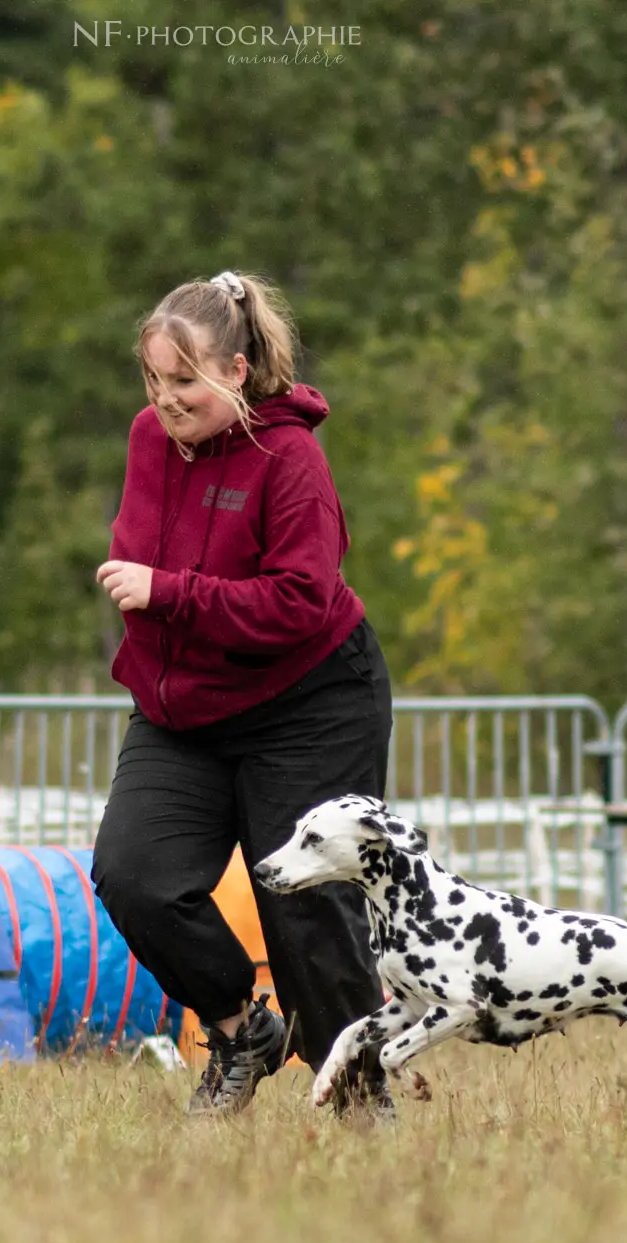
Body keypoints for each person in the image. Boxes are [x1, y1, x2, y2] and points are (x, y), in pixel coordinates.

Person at [88, 269, 395, 1119]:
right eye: (154, 380)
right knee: (134, 874)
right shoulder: (149, 439)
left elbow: (302, 602)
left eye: (184, 380)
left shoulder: (290, 458)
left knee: (305, 906)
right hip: (183, 710)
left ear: (236, 369)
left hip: (309, 703)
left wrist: (171, 593)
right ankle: (238, 1034)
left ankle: (361, 1101)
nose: (166, 399)